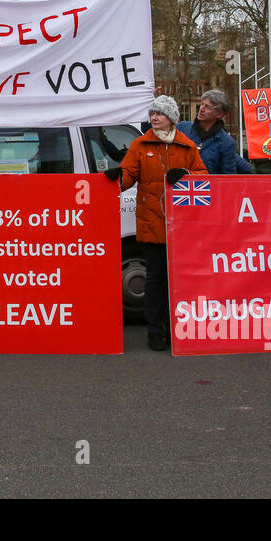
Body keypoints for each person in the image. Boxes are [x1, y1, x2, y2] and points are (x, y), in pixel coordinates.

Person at [111, 94, 208, 351]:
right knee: (154, 280)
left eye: (160, 114)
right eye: (152, 114)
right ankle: (155, 332)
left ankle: (176, 330)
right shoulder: (139, 146)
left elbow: (203, 177)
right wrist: (116, 178)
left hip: (180, 227)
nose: (154, 118)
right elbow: (128, 175)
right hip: (152, 223)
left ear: (172, 119)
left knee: (178, 280)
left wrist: (186, 175)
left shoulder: (187, 147)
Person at [178, 89, 253, 175]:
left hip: (206, 187)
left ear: (219, 114)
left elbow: (228, 178)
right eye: (202, 104)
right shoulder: (182, 128)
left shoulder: (227, 143)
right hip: (176, 186)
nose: (201, 109)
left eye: (208, 107)